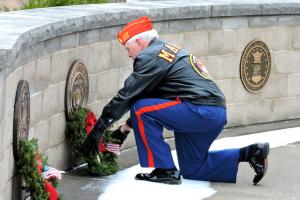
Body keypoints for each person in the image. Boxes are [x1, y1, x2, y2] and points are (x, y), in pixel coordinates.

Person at [82, 16, 269, 185]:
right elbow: (155, 101)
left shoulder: (150, 56)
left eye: (128, 48)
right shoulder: (167, 50)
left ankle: (165, 169)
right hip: (211, 113)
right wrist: (124, 130)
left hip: (198, 111)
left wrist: (99, 129)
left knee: (140, 109)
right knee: (193, 169)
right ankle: (251, 153)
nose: (128, 54)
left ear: (139, 42)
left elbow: (128, 95)